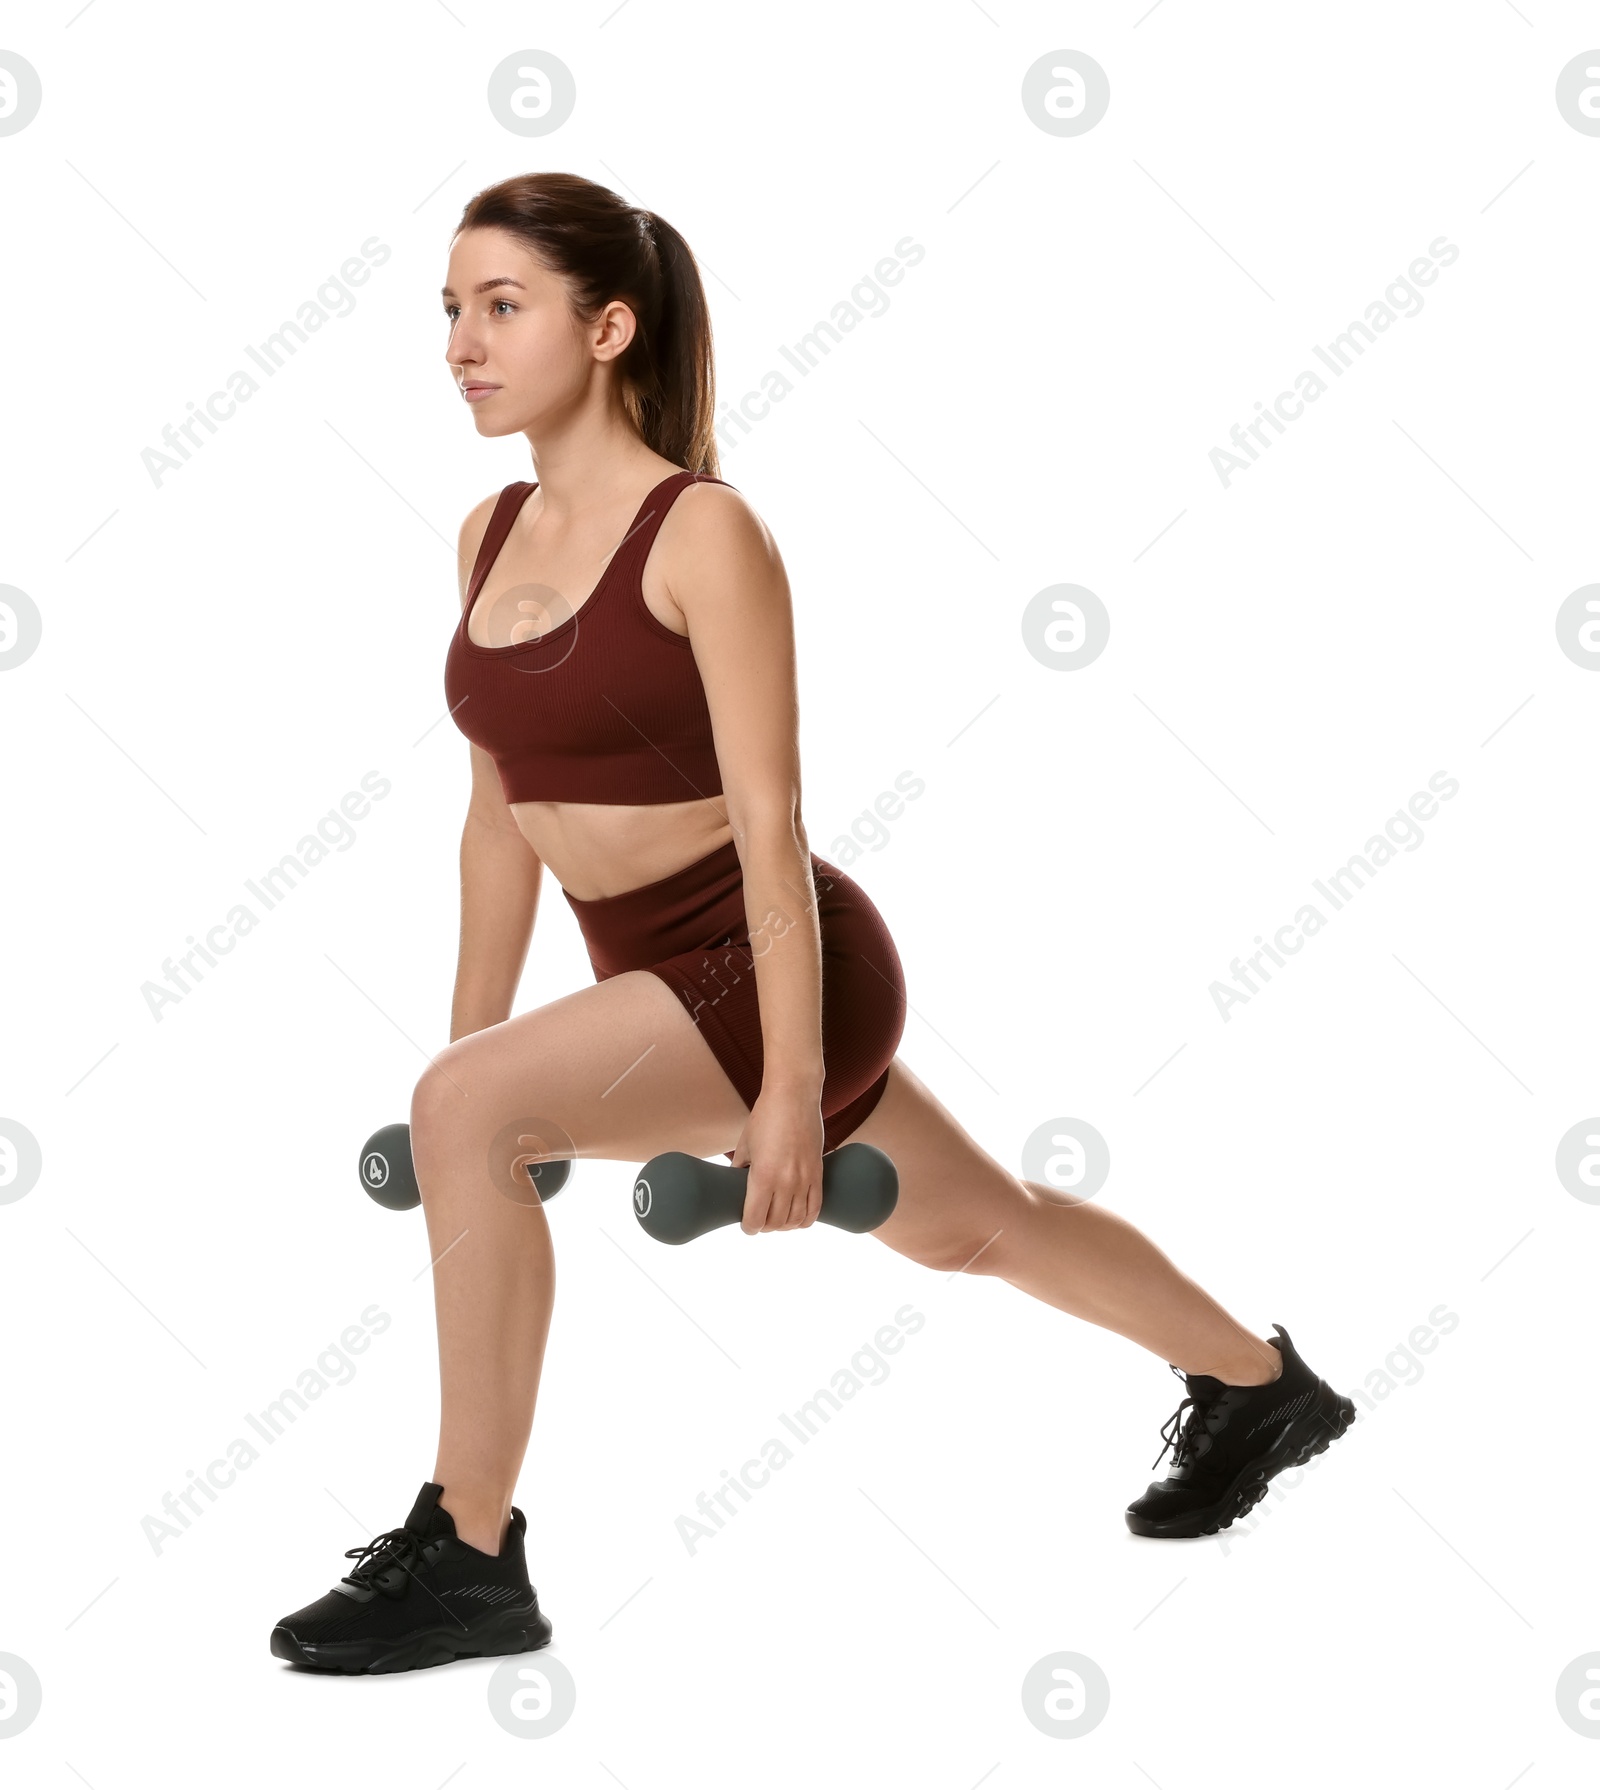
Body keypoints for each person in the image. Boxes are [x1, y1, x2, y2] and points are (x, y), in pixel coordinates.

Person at [269, 172, 1355, 1676]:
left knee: (473, 1108)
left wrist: (786, 1091)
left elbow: (772, 827)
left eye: (499, 306)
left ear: (608, 326)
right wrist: (479, 1067)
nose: (459, 339)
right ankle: (1262, 1384)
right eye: (449, 310)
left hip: (783, 962)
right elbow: (495, 819)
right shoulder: (485, 535)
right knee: (984, 1227)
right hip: (646, 978)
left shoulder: (702, 532)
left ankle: (466, 1552)